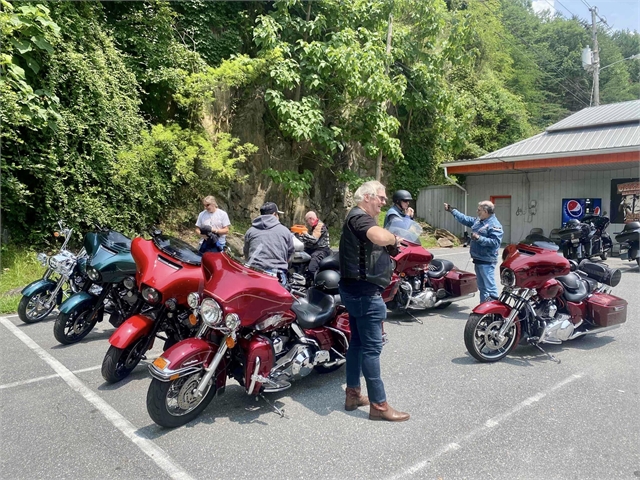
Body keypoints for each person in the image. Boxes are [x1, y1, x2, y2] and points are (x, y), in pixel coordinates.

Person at [339, 180, 410, 422]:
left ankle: (353, 394)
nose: (383, 202)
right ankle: (379, 406)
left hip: (355, 291)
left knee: (357, 344)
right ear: (367, 197)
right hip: (365, 294)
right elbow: (378, 236)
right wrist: (392, 238)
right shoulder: (360, 218)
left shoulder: (357, 218)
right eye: (380, 197)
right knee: (371, 348)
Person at [444, 201, 503, 303]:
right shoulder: (479, 221)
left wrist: (479, 238)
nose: (477, 212)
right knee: (482, 288)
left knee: (490, 289)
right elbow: (465, 219)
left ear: (485, 211)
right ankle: (484, 309)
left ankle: (495, 312)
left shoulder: (494, 225)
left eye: (479, 210)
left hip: (487, 261)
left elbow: (495, 243)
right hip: (478, 259)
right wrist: (452, 210)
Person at [244, 202, 294, 284]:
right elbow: (290, 254)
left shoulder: (250, 231)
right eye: (278, 214)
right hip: (276, 276)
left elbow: (246, 254)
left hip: (253, 274)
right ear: (274, 214)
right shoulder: (285, 231)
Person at [298, 211, 332, 280]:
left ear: (311, 219)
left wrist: (305, 234)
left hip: (322, 250)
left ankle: (316, 282)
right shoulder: (315, 226)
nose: (308, 223)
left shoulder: (319, 225)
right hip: (316, 249)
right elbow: (310, 241)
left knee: (312, 268)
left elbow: (314, 240)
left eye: (307, 221)